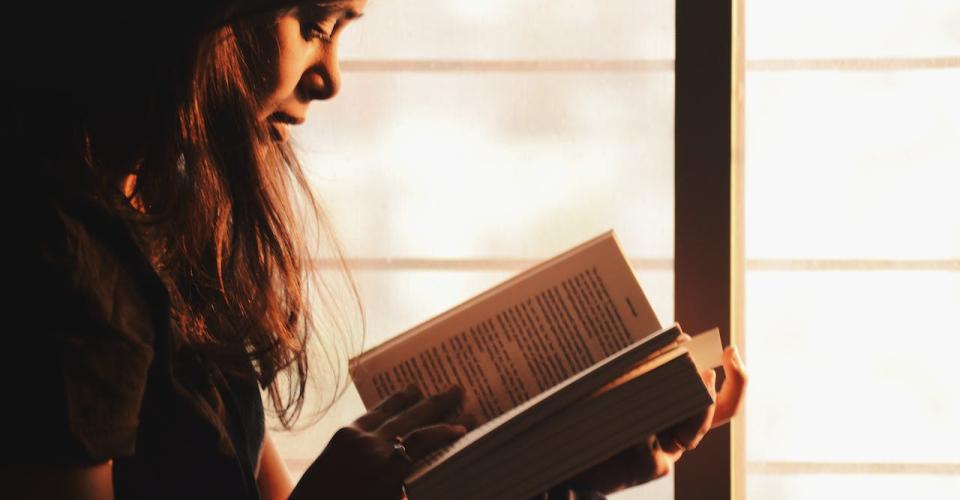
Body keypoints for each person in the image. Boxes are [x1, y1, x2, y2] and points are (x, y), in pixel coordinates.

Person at [2, 1, 746, 499]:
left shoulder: (163, 223)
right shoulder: (58, 261)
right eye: (317, 23)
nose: (329, 79)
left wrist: (556, 473)